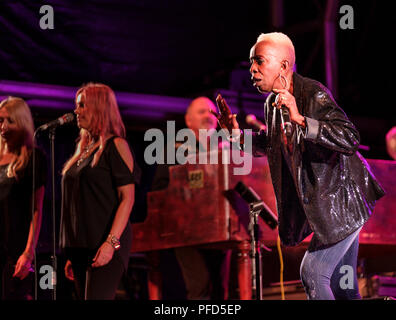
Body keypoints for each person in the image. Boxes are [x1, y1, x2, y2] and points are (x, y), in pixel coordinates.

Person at [215, 32, 385, 300]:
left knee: (313, 273)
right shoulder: (272, 104)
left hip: (345, 202)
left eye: (259, 61)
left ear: (284, 66)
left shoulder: (313, 93)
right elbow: (269, 143)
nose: (252, 69)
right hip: (333, 207)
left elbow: (349, 137)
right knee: (344, 288)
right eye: (251, 62)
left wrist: (302, 119)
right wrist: (235, 135)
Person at [60, 83, 139, 300]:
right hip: (80, 248)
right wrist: (73, 253)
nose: (76, 111)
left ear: (99, 108)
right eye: (77, 106)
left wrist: (110, 243)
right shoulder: (84, 150)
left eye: (82, 105)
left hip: (105, 244)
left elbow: (127, 199)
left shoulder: (116, 145)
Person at [151, 97, 230, 300]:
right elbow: (160, 189)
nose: (207, 116)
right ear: (188, 121)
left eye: (211, 112)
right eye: (201, 112)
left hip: (222, 228)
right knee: (200, 287)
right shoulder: (174, 150)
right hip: (187, 230)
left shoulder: (228, 149)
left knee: (221, 291)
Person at [0, 97, 46, 299]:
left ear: (21, 122)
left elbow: (37, 208)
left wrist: (28, 252)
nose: (3, 126)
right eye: (0, 121)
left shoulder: (32, 159)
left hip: (13, 250)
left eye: (9, 120)